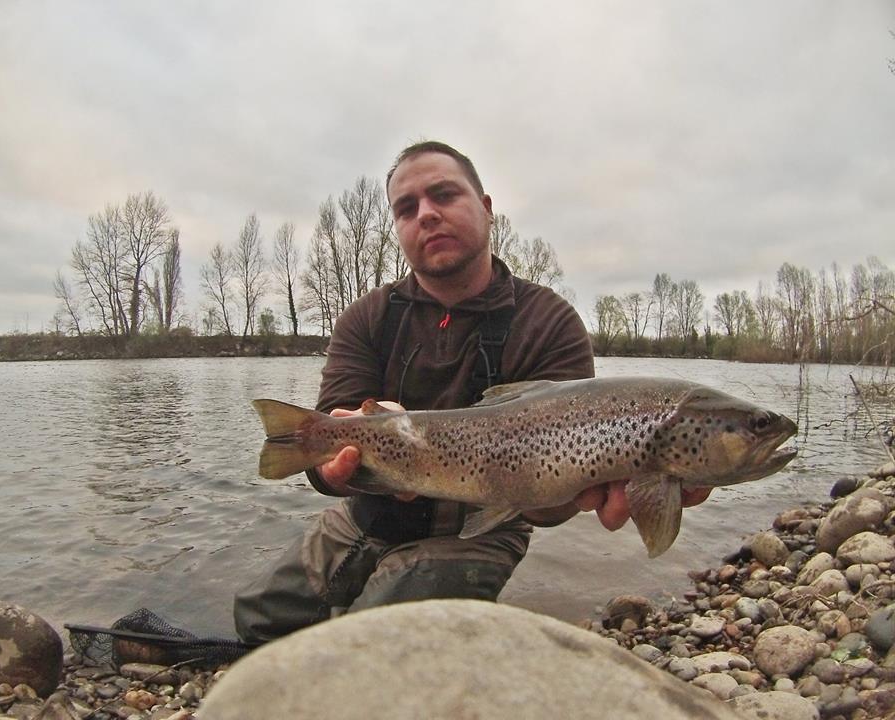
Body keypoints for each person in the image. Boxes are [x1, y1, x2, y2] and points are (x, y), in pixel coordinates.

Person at [234, 141, 710, 643]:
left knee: (371, 643)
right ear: (397, 228)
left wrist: (572, 492)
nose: (428, 214)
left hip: (479, 533)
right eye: (407, 208)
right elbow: (321, 464)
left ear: (486, 208)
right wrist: (332, 465)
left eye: (444, 194)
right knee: (255, 622)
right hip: (365, 517)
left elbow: (548, 509)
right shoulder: (366, 319)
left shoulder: (548, 322)